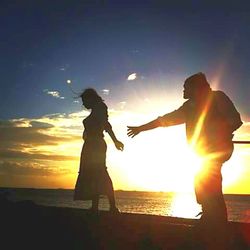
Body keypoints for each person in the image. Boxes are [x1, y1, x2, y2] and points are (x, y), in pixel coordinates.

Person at [127, 73, 242, 246]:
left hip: (218, 149)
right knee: (204, 181)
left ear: (196, 87)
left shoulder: (217, 97)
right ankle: (210, 217)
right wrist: (141, 128)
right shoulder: (189, 107)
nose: (183, 90)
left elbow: (236, 121)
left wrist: (218, 134)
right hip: (202, 151)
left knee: (210, 181)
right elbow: (164, 120)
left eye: (186, 87)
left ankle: (216, 225)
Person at [74, 88, 124, 213]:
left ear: (90, 98)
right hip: (90, 145)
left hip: (96, 145)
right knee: (93, 174)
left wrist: (115, 141)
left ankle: (112, 206)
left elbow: (106, 125)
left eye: (84, 101)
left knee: (101, 172)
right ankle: (95, 206)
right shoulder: (96, 109)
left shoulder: (101, 107)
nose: (84, 104)